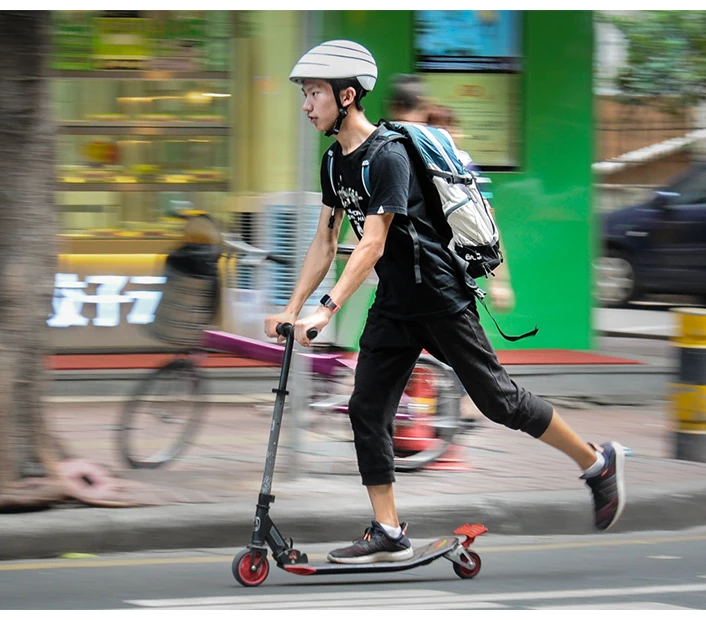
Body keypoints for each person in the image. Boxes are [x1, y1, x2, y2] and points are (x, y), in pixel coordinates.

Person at [265, 40, 625, 565]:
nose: (306, 104)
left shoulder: (386, 155)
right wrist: (292, 306)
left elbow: (373, 241)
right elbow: (325, 242)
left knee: (499, 401)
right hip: (394, 303)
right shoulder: (334, 163)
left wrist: (326, 307)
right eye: (304, 93)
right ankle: (388, 530)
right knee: (367, 407)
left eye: (314, 93)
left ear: (346, 96)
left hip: (439, 297)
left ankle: (597, 462)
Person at [386, 74, 514, 312]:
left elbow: (488, 222)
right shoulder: (408, 157)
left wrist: (501, 281)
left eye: (451, 127)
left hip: (448, 269)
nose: (449, 135)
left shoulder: (464, 167)